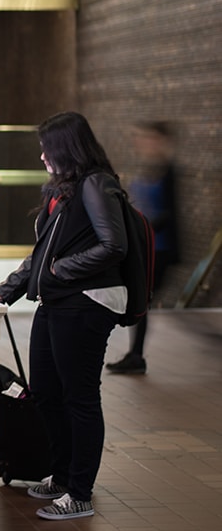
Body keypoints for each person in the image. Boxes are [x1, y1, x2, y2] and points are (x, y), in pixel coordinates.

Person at [0, 111, 128, 522]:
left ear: (67, 148)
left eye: (47, 147)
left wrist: (58, 272)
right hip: (56, 303)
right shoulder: (62, 192)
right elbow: (40, 255)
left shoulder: (96, 185)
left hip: (86, 304)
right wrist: (4, 293)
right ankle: (63, 475)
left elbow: (113, 245)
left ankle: (80, 491)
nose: (42, 155)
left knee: (79, 397)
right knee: (46, 392)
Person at [106, 121, 179, 375]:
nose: (142, 143)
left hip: (159, 248)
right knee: (142, 298)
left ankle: (136, 355)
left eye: (148, 138)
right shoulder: (152, 169)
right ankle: (135, 354)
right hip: (149, 245)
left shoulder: (168, 172)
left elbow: (168, 214)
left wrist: (142, 231)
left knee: (142, 298)